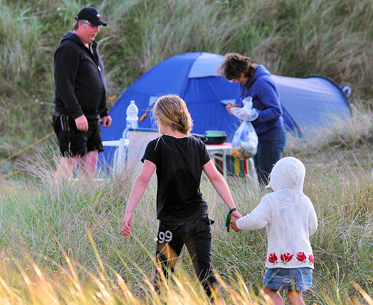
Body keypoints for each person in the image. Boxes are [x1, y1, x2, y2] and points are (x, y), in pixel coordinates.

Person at [121, 94, 242, 300]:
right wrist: (233, 209)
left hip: (170, 224)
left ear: (160, 118)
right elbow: (216, 176)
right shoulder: (197, 145)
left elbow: (143, 180)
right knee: (205, 273)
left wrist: (129, 211)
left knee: (162, 275)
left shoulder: (157, 146)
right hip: (199, 221)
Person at [230, 157, 318, 305]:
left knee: (269, 293)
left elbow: (255, 220)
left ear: (276, 178)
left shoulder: (271, 200)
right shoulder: (305, 200)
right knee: (295, 296)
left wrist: (238, 223)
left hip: (280, 260)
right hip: (303, 260)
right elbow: (313, 227)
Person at [52, 7, 112, 180]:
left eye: (99, 27)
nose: (97, 30)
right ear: (80, 24)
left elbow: (96, 81)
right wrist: (77, 114)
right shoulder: (68, 48)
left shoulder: (92, 47)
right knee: (69, 164)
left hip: (92, 117)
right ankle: (53, 203)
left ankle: (85, 204)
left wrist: (103, 111)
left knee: (90, 164)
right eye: (93, 26)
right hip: (72, 117)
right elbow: (64, 85)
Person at [219, 53, 286, 186]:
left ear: (244, 70)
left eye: (238, 77)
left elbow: (276, 110)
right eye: (234, 79)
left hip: (271, 137)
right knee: (261, 179)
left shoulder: (262, 83)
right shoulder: (245, 82)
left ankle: (276, 206)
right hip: (257, 137)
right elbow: (251, 107)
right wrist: (238, 109)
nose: (237, 81)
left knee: (268, 182)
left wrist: (255, 115)